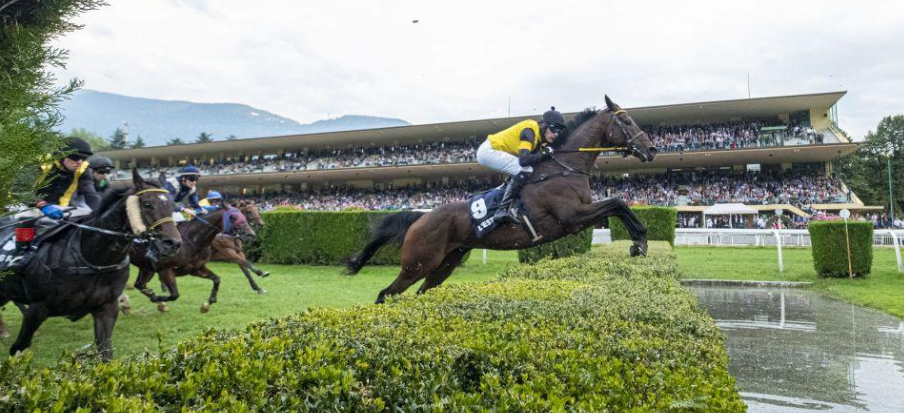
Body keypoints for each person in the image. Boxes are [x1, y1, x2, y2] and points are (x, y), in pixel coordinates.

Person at [9, 137, 99, 270]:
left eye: (83, 158)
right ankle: (20, 254)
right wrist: (43, 205)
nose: (80, 162)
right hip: (26, 203)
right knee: (27, 215)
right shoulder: (39, 162)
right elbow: (19, 189)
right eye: (75, 157)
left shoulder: (84, 169)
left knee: (87, 214)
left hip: (60, 207)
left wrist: (100, 212)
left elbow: (90, 194)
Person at [475, 106, 567, 224]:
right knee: (526, 169)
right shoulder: (530, 130)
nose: (556, 134)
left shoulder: (540, 138)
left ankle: (504, 201)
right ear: (544, 125)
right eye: (554, 129)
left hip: (494, 151)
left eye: (559, 132)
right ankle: (501, 210)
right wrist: (544, 152)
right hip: (489, 151)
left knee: (526, 170)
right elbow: (524, 161)